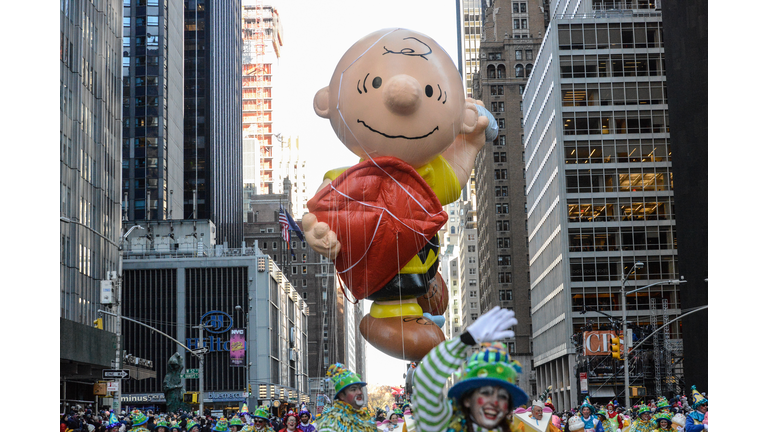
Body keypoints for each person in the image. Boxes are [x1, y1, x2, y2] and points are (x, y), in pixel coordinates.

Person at [411, 307, 528, 432]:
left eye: (503, 397)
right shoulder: (442, 426)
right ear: (467, 400)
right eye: (486, 393)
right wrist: (467, 339)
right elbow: (425, 379)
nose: (495, 402)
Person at [315, 363, 377, 432]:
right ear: (341, 395)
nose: (359, 392)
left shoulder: (367, 419)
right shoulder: (330, 422)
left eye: (360, 389)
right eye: (353, 389)